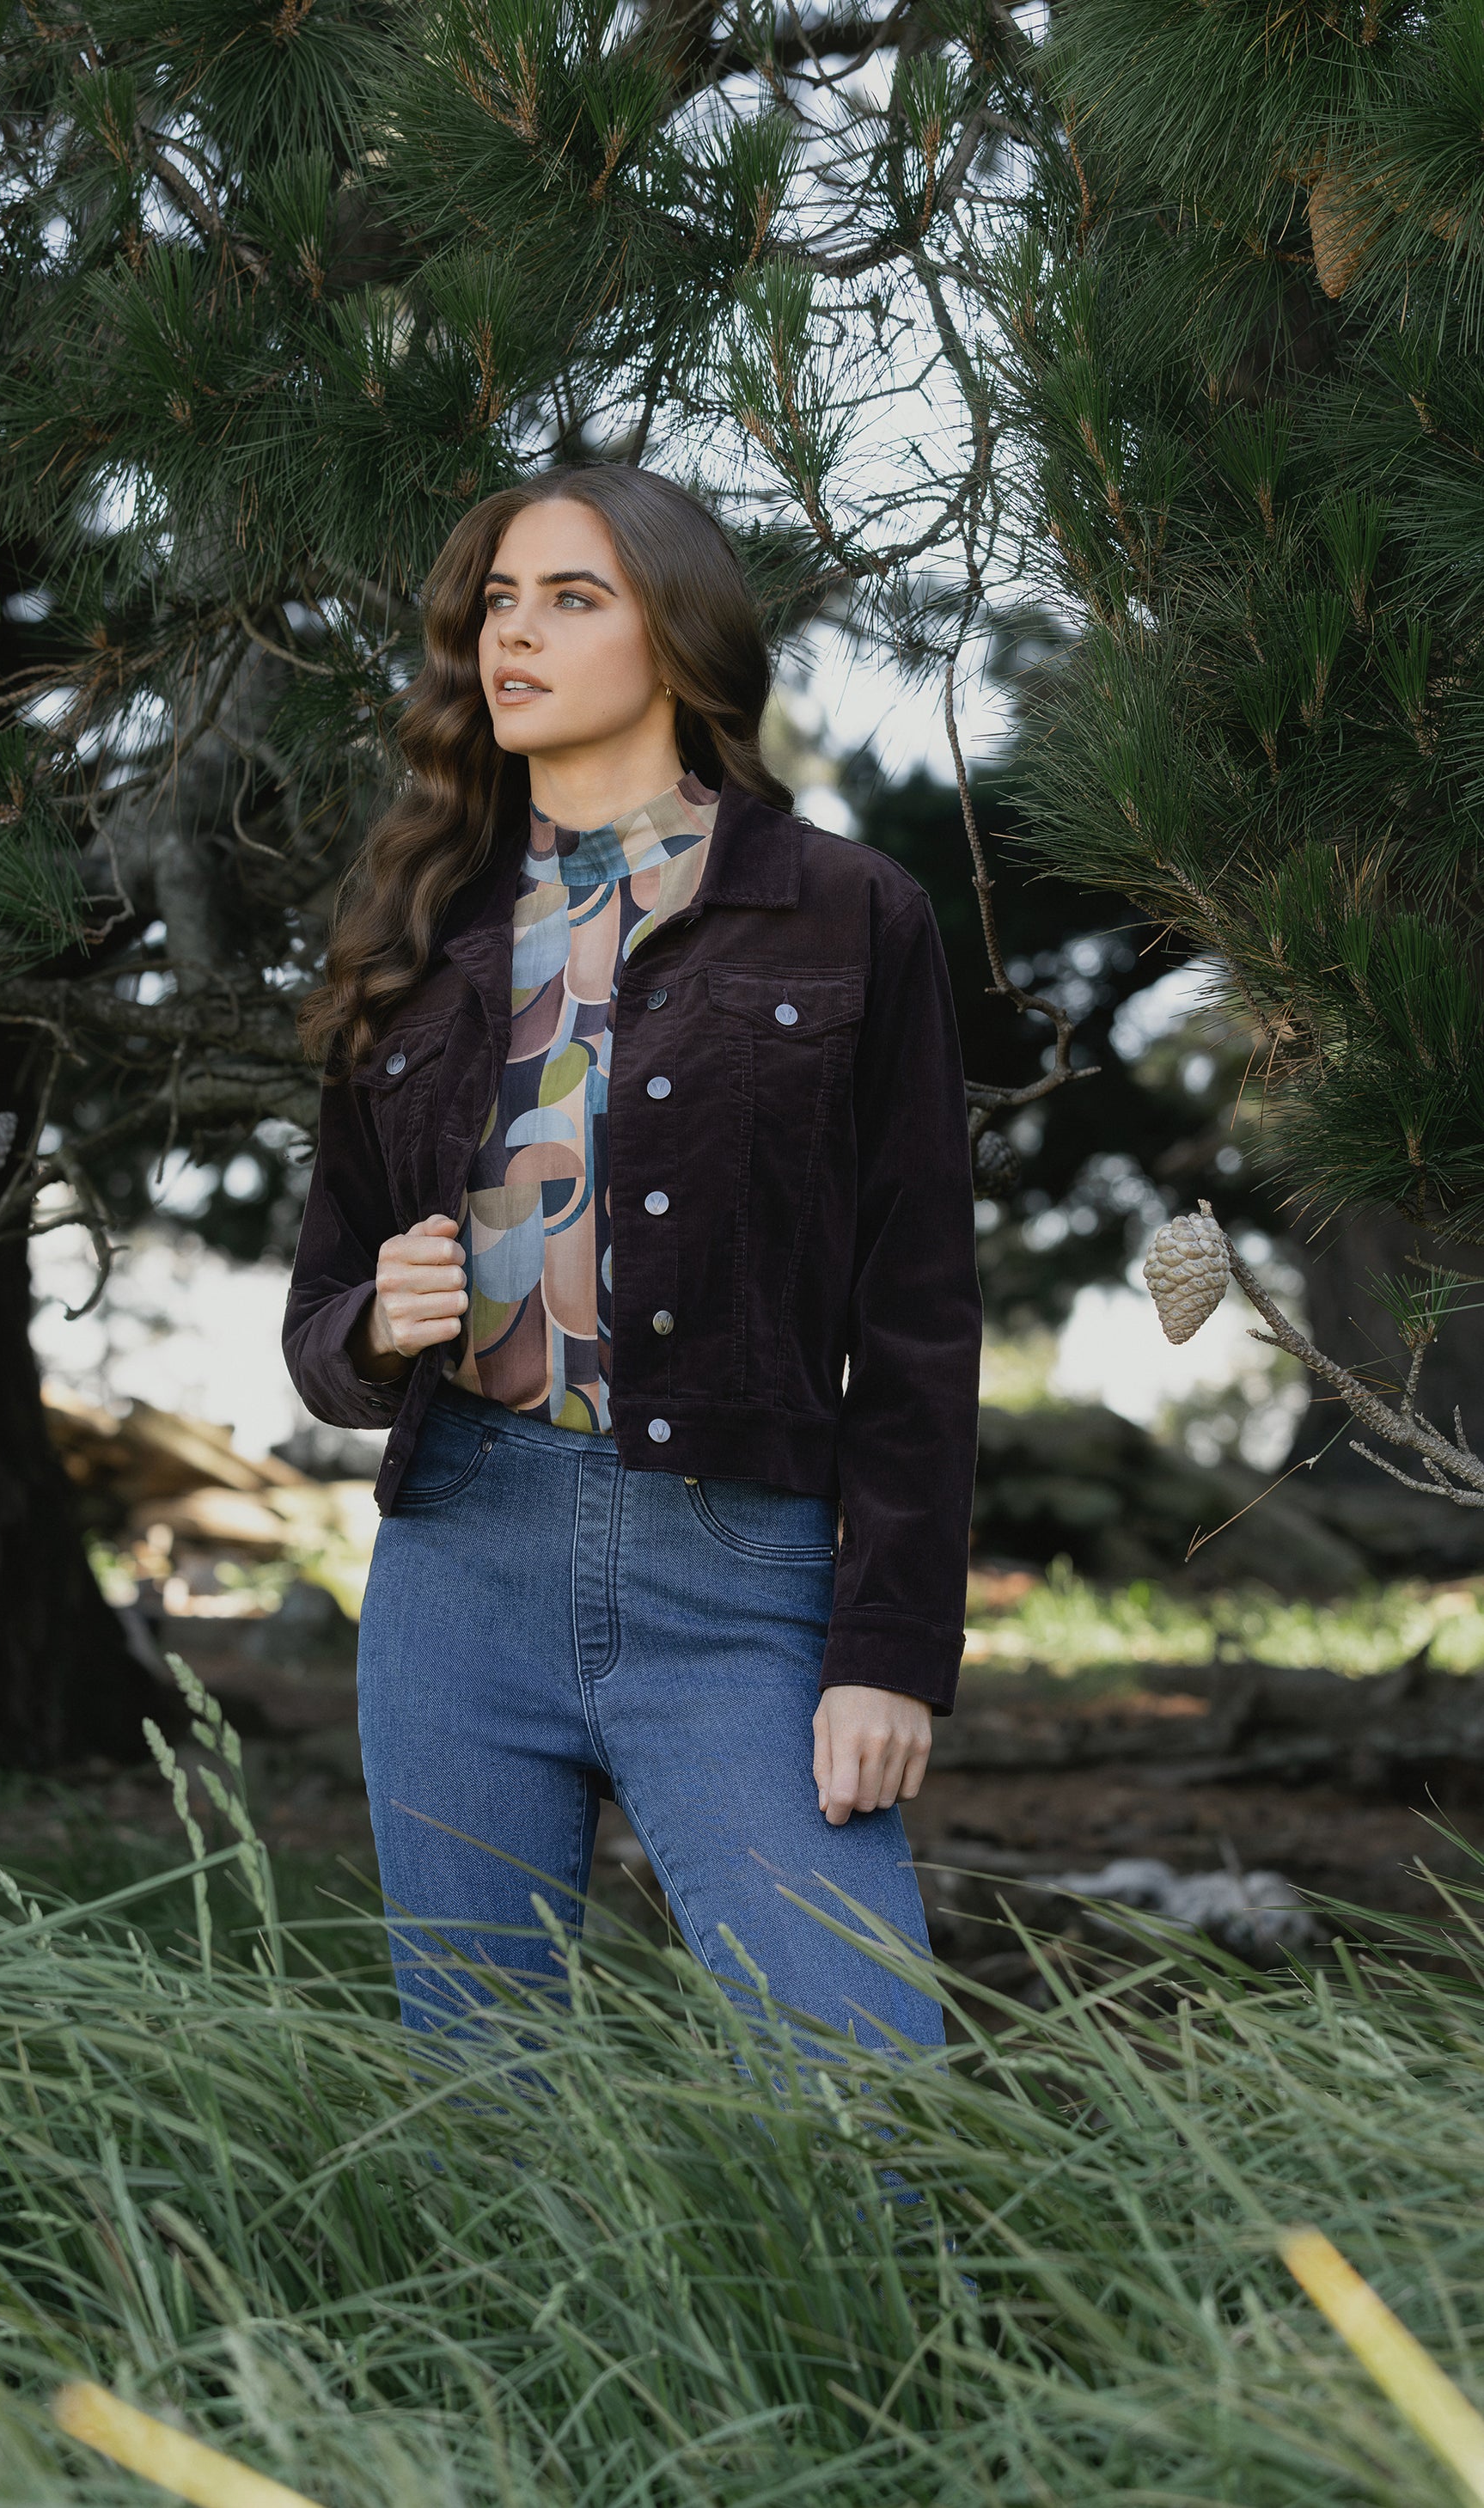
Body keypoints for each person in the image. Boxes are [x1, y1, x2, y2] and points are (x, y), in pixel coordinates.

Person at [284, 466, 980, 2050]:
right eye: (496, 603)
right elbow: (320, 1313)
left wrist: (890, 1651)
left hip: (738, 1568)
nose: (512, 635)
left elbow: (919, 1318)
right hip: (457, 1562)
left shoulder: (845, 912)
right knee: (481, 2107)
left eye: (569, 598)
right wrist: (377, 1326)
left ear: (674, 634)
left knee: (863, 2075)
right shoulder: (413, 928)